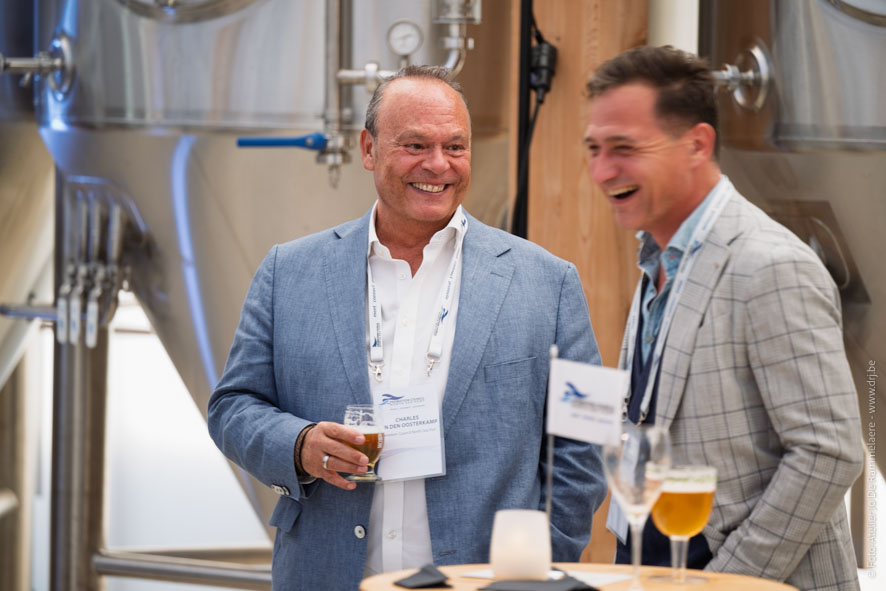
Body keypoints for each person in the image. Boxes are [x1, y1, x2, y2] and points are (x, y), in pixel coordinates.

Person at [208, 65, 607, 590]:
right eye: (415, 145)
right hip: (327, 576)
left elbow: (585, 442)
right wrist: (298, 444)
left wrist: (540, 565)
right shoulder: (289, 271)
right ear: (368, 149)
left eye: (455, 147)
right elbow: (232, 406)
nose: (438, 164)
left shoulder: (549, 282)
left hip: (486, 582)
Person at [583, 46, 864, 591]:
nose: (601, 171)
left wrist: (725, 582)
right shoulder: (656, 259)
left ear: (697, 144)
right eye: (594, 149)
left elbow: (828, 451)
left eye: (624, 148)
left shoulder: (770, 266)